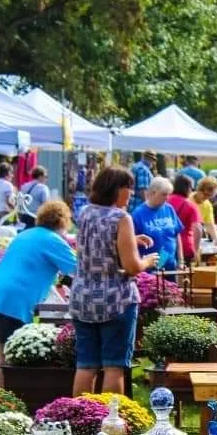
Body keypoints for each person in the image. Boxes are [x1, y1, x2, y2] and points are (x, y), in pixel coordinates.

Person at [70, 165, 159, 396]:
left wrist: (130, 239)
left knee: (86, 365)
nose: (131, 193)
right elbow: (132, 266)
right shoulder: (121, 217)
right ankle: (111, 424)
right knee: (113, 366)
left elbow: (97, 244)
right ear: (116, 189)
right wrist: (147, 261)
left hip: (83, 298)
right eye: (128, 188)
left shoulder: (86, 212)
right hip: (115, 299)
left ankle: (82, 420)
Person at [0, 200, 78, 389]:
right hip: (14, 300)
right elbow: (79, 269)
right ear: (62, 222)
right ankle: (14, 400)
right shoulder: (53, 240)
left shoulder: (24, 235)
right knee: (15, 353)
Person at [132, 176, 184, 271]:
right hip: (149, 269)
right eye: (164, 194)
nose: (167, 198)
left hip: (171, 266)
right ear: (152, 193)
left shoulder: (169, 209)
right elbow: (131, 242)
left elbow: (176, 234)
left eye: (168, 194)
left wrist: (181, 260)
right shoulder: (138, 213)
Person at [168, 174, 203, 263]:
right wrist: (196, 250)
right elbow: (198, 229)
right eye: (191, 188)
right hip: (185, 248)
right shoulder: (191, 206)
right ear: (187, 188)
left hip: (166, 246)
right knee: (184, 274)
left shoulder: (165, 201)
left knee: (162, 272)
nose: (192, 190)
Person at [191, 176, 217, 249]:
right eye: (205, 194)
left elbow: (210, 225)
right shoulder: (188, 200)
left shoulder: (207, 205)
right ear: (199, 189)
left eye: (210, 196)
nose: (206, 197)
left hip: (195, 239)